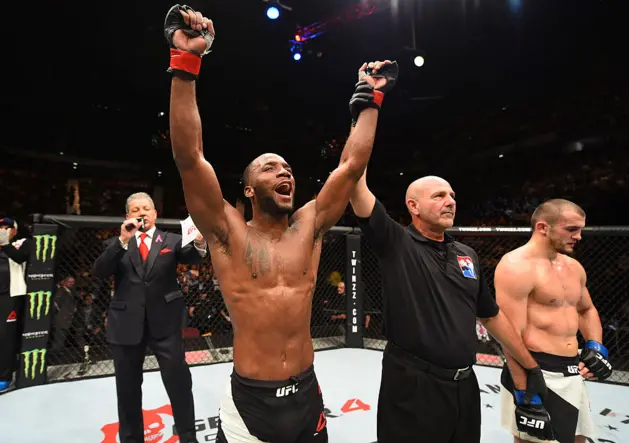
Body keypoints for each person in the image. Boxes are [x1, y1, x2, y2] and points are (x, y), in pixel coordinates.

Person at [163, 4, 397, 442]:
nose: (284, 172)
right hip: (250, 401)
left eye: (287, 168)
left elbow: (350, 167)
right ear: (249, 189)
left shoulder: (308, 227)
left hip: (307, 393)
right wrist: (185, 62)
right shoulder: (227, 232)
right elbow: (189, 158)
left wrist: (370, 99)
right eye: (270, 168)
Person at [348, 174, 551, 442]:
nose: (450, 201)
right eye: (439, 196)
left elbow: (490, 315)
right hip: (414, 384)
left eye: (452, 196)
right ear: (413, 206)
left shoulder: (467, 255)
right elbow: (356, 185)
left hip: (464, 384)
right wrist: (359, 140)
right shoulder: (396, 243)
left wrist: (530, 365)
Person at [93, 192, 208, 443]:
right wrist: (123, 240)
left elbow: (192, 255)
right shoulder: (116, 244)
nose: (142, 212)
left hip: (165, 323)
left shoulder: (171, 239)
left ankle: (188, 437)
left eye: (146, 208)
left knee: (178, 382)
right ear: (128, 216)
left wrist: (199, 242)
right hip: (126, 325)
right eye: (136, 209)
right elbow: (100, 271)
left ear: (155, 214)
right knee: (127, 389)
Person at [495, 199, 613, 443]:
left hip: (571, 370)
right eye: (571, 229)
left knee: (577, 439)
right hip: (536, 370)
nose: (578, 236)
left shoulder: (573, 267)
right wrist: (525, 393)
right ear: (542, 227)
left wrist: (596, 347)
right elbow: (509, 335)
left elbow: (586, 310)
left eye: (580, 229)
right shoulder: (516, 266)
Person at [0, 217, 29, 392]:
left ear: (14, 230)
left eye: (6, 228)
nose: (3, 230)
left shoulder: (21, 243)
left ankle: (4, 376)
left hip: (10, 296)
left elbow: (19, 258)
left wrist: (5, 244)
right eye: (0, 227)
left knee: (6, 337)